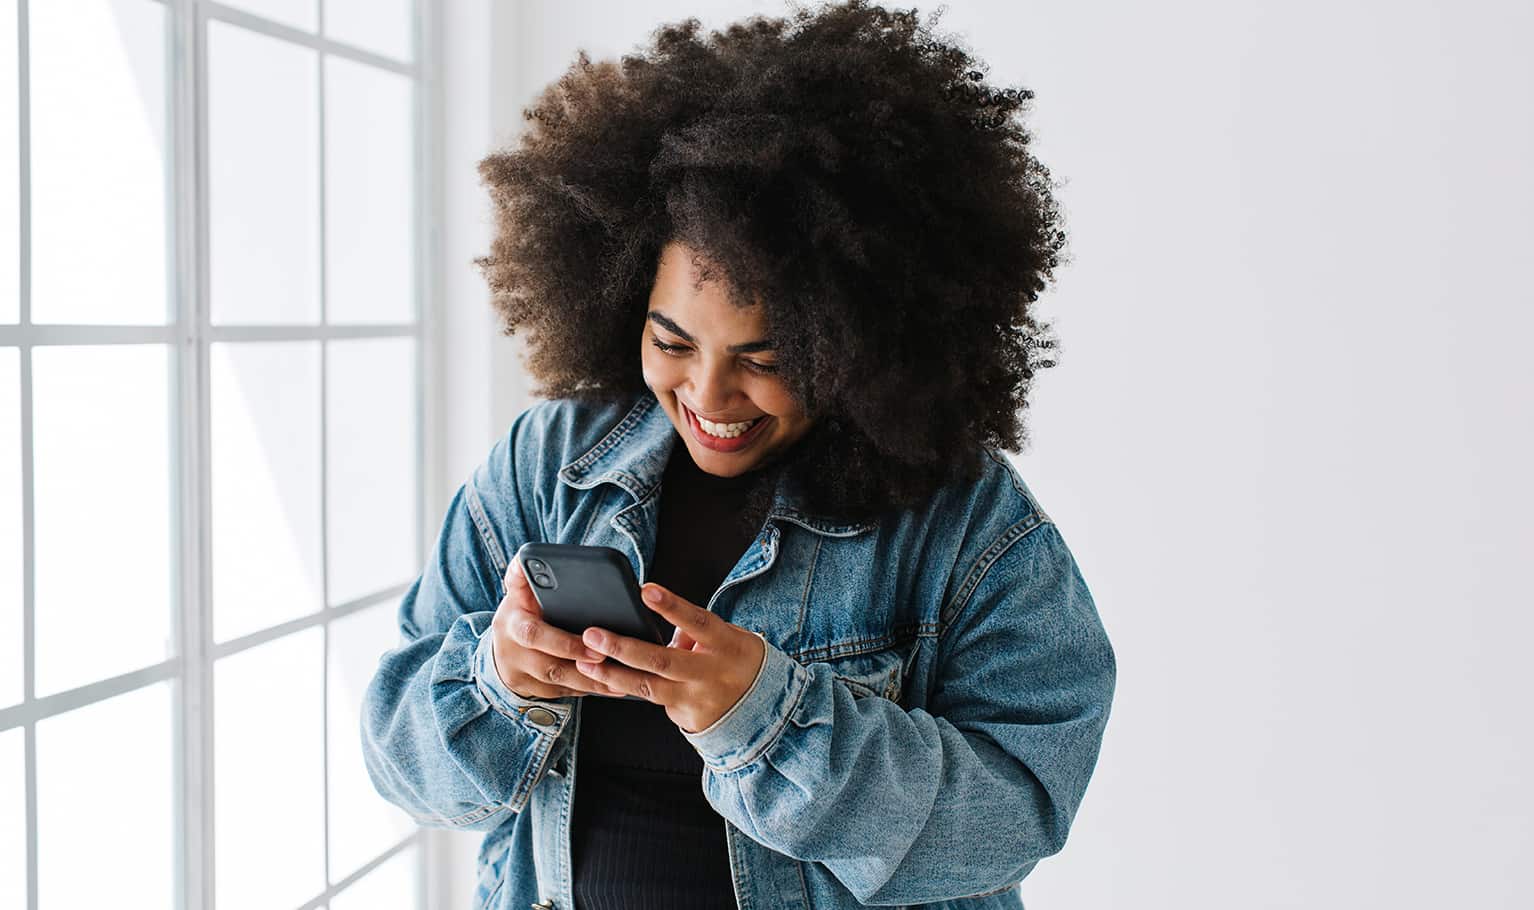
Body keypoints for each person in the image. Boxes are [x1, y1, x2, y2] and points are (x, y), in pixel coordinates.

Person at [359, 2, 1116, 907]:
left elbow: (1018, 814)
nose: (709, 398)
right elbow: (397, 756)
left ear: (861, 340)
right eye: (671, 342)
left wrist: (767, 722)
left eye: (767, 359)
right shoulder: (547, 463)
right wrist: (502, 679)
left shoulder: (965, 524)